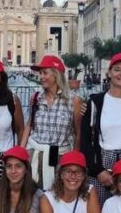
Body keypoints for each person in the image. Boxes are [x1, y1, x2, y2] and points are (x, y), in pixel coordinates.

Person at [79, 53, 121, 204]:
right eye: (117, 69)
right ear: (109, 73)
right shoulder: (94, 102)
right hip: (100, 165)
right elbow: (85, 140)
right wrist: (98, 171)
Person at [21, 55, 80, 190]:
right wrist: (21, 151)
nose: (41, 77)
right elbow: (29, 126)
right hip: (35, 155)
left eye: (45, 73)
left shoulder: (73, 101)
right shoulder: (36, 98)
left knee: (58, 195)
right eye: (40, 73)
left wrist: (74, 160)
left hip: (60, 158)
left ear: (56, 74)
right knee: (34, 197)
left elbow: (78, 133)